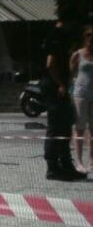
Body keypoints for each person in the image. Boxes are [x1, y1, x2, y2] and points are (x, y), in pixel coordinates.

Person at [42, 21, 87, 181]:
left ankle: (66, 165)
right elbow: (50, 64)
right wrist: (60, 84)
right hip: (54, 88)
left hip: (61, 88)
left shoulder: (63, 36)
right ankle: (53, 168)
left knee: (65, 127)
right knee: (56, 128)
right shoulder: (56, 36)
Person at [69, 24, 93, 172]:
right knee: (79, 128)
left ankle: (92, 161)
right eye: (88, 35)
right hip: (81, 94)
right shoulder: (78, 54)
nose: (91, 38)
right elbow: (71, 72)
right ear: (84, 37)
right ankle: (79, 161)